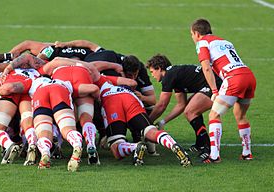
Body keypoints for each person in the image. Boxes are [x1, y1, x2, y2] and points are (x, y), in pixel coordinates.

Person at [55, 40, 158, 155]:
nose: (134, 77)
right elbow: (92, 60)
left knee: (140, 104)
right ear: (121, 70)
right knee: (94, 105)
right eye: (130, 75)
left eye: (135, 75)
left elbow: (153, 100)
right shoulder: (107, 60)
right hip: (94, 85)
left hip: (89, 86)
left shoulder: (139, 70)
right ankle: (102, 135)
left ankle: (138, 135)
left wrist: (142, 98)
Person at [190, 18, 256, 163]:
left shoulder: (202, 43)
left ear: (196, 33)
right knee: (240, 115)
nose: (193, 38)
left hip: (234, 78)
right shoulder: (225, 41)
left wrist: (214, 91)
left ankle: (214, 155)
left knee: (214, 114)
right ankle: (247, 153)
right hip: (249, 76)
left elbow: (206, 67)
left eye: (192, 35)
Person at [93, 72, 192, 167]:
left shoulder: (92, 80)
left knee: (115, 147)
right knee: (149, 130)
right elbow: (132, 83)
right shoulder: (104, 78)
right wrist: (152, 152)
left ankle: (135, 147)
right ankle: (172, 144)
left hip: (111, 100)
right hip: (130, 96)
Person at [0, 76, 84, 171]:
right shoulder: (65, 81)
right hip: (59, 90)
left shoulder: (33, 81)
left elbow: (14, 87)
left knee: (43, 133)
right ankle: (77, 145)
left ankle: (45, 153)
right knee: (67, 129)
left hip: (40, 93)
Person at [146, 54, 222, 159]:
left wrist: (147, 122)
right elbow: (181, 105)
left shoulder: (168, 77)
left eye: (152, 72)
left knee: (190, 111)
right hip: (208, 85)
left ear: (159, 68)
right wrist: (163, 121)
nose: (152, 75)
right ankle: (200, 144)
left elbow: (161, 105)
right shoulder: (175, 75)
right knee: (190, 109)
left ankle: (207, 147)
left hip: (215, 86)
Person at [0, 67, 40, 165]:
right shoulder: (40, 69)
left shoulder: (6, 69)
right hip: (29, 92)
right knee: (28, 123)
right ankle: (32, 143)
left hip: (9, 93)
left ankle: (9, 145)